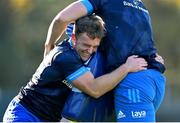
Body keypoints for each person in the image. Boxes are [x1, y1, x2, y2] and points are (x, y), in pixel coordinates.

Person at [3, 15, 148, 122]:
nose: (90, 51)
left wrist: (152, 59)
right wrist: (127, 67)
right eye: (86, 45)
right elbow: (94, 89)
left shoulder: (89, 53)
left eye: (94, 47)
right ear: (73, 38)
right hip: (25, 114)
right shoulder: (64, 56)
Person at [43, 0, 166, 122]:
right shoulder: (139, 4)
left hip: (132, 81)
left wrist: (49, 46)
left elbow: (62, 19)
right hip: (154, 77)